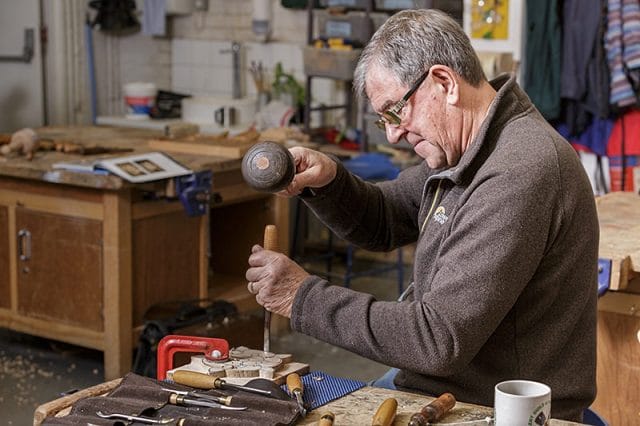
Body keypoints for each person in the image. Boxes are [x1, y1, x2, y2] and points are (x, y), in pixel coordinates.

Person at [245, 9, 598, 422]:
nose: (393, 133)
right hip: (442, 389)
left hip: (493, 410)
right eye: (384, 119)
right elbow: (386, 217)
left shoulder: (519, 170)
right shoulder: (470, 151)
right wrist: (328, 182)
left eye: (395, 111)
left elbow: (436, 339)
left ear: (444, 83)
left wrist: (299, 296)